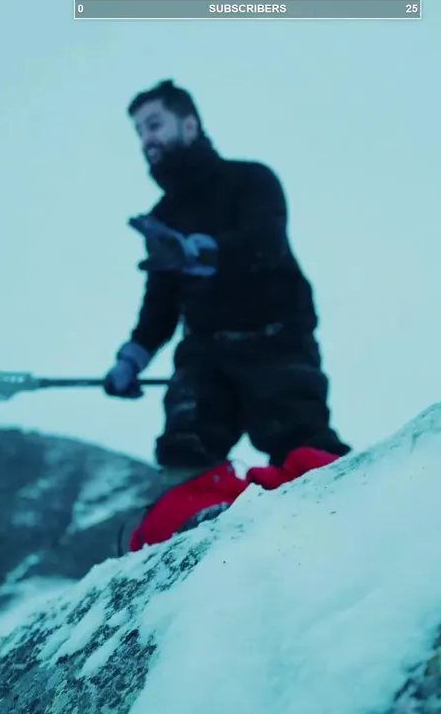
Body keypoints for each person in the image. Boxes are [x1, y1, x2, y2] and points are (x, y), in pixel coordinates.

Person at [102, 79, 351, 553]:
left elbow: (266, 243)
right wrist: (132, 358)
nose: (146, 139)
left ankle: (337, 527)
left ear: (189, 123)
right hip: (204, 353)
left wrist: (200, 252)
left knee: (299, 438)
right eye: (139, 131)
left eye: (154, 124)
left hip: (277, 338)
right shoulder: (163, 215)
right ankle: (201, 536)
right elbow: (160, 305)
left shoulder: (251, 180)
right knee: (185, 454)